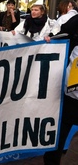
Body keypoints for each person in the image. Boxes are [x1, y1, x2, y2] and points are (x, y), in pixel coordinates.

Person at [43, 15, 78, 165]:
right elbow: (62, 34)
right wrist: (50, 39)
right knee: (58, 135)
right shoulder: (75, 21)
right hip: (71, 94)